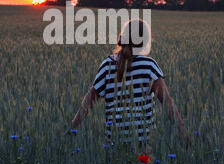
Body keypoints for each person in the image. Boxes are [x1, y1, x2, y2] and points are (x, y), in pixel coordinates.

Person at [70, 19, 187, 153]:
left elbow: (89, 99)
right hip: (143, 139)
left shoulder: (107, 64)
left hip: (115, 139)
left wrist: (73, 127)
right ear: (144, 41)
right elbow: (167, 102)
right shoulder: (149, 65)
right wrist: (182, 131)